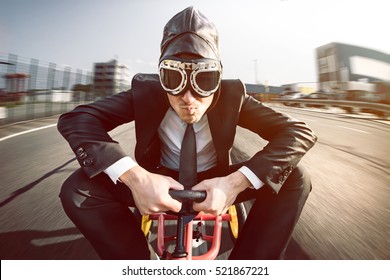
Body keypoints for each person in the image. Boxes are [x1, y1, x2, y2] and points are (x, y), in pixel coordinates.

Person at [58, 6, 317, 260]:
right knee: (77, 188)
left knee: (296, 177)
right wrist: (136, 178)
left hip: (215, 180)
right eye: (173, 79)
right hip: (158, 178)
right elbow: (78, 118)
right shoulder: (145, 92)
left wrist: (234, 183)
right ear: (161, 78)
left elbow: (298, 131)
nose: (188, 98)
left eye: (204, 81)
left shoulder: (232, 95)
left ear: (217, 78)